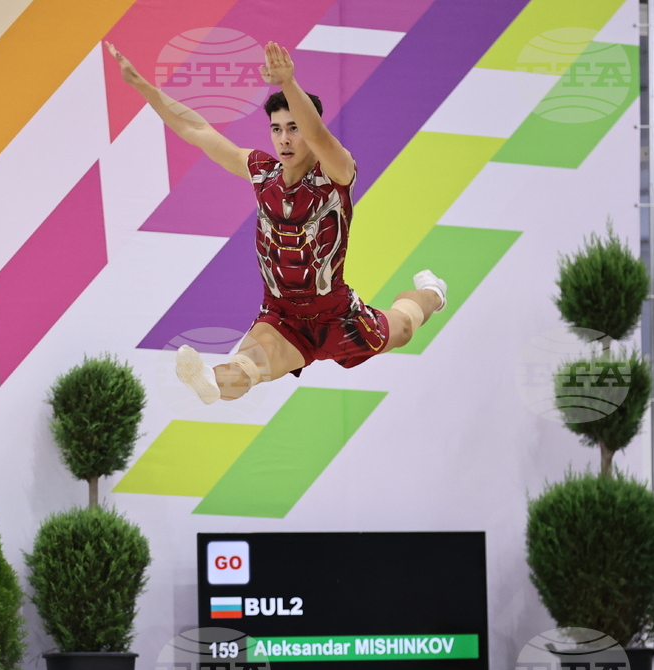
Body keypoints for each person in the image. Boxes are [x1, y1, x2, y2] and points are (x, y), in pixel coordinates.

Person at [106, 40, 446, 404]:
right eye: (277, 128)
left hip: (336, 314)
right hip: (282, 315)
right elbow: (197, 131)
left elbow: (318, 135)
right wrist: (144, 88)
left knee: (406, 324)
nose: (284, 138)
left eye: (293, 127)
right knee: (246, 368)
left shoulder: (336, 171)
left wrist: (288, 83)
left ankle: (433, 292)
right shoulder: (261, 173)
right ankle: (211, 380)